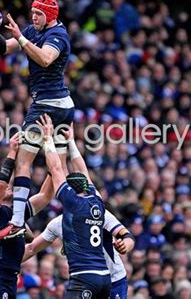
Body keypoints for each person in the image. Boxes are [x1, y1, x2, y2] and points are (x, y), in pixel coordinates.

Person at [0, 0, 75, 240]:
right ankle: (68, 213)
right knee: (56, 172)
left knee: (23, 162)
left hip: (47, 106)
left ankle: (15, 222)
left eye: (39, 14)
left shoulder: (57, 36)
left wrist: (21, 37)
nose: (33, 17)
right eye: (32, 12)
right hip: (63, 108)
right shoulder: (34, 29)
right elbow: (4, 48)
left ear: (50, 16)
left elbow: (45, 59)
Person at [39, 114, 113, 298]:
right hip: (104, 277)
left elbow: (56, 169)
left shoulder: (72, 202)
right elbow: (83, 170)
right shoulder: (97, 200)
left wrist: (48, 139)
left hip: (83, 277)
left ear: (70, 189)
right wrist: (71, 142)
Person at [0, 133, 56, 298]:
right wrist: (12, 152)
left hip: (9, 278)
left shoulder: (17, 211)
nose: (6, 186)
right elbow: (1, 183)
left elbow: (45, 196)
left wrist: (54, 166)